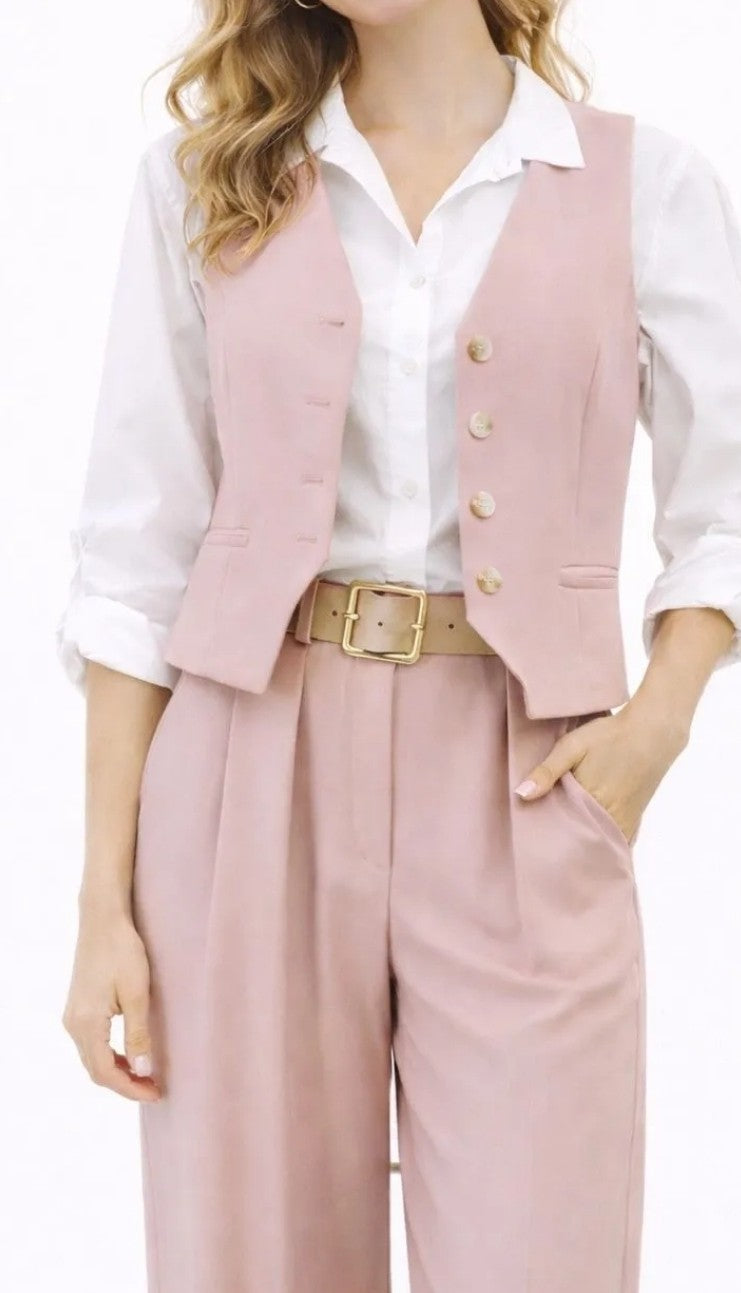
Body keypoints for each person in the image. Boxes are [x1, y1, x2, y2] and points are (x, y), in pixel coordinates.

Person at [56, 1, 741, 1290]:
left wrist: (658, 724)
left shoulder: (646, 187)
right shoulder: (204, 178)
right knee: (251, 1264)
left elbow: (727, 503)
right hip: (249, 770)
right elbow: (134, 559)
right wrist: (105, 905)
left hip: (527, 782)